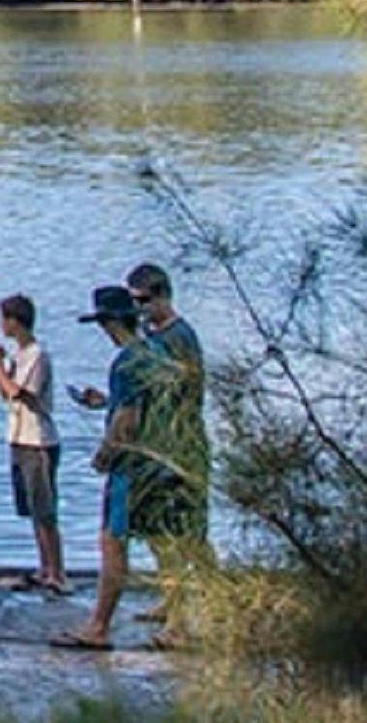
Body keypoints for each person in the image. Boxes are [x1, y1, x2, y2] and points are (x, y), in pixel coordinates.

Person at [56, 284, 151, 651]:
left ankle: (98, 627)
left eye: (103, 325)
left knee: (112, 541)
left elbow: (126, 420)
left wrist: (105, 453)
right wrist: (105, 403)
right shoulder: (150, 353)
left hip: (129, 465)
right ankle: (176, 619)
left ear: (110, 323)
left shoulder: (126, 361)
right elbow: (137, 405)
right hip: (154, 459)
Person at [126, 262, 214, 635]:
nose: (139, 310)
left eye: (143, 301)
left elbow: (184, 390)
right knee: (156, 533)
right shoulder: (152, 336)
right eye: (133, 303)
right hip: (154, 447)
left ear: (162, 296)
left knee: (187, 534)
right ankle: (169, 599)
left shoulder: (181, 337)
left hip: (181, 447)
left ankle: (200, 607)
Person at [0, 293, 66, 595]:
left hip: (38, 441)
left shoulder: (37, 355)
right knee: (32, 509)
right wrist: (1, 368)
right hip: (19, 437)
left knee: (45, 510)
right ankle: (44, 568)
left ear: (14, 322)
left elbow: (21, 393)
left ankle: (58, 572)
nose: (0, 325)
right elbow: (5, 392)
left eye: (3, 319)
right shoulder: (19, 356)